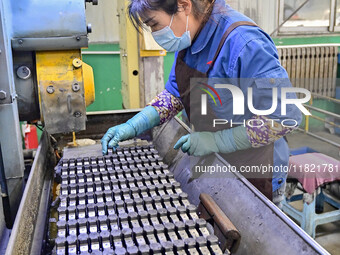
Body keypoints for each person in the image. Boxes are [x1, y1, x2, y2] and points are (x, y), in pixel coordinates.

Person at [101, 0, 302, 206]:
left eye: (154, 24)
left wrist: (216, 141)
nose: (155, 33)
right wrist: (133, 125)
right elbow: (174, 95)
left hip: (256, 171)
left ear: (184, 6)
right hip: (218, 164)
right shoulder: (190, 36)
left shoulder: (245, 44)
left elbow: (284, 118)